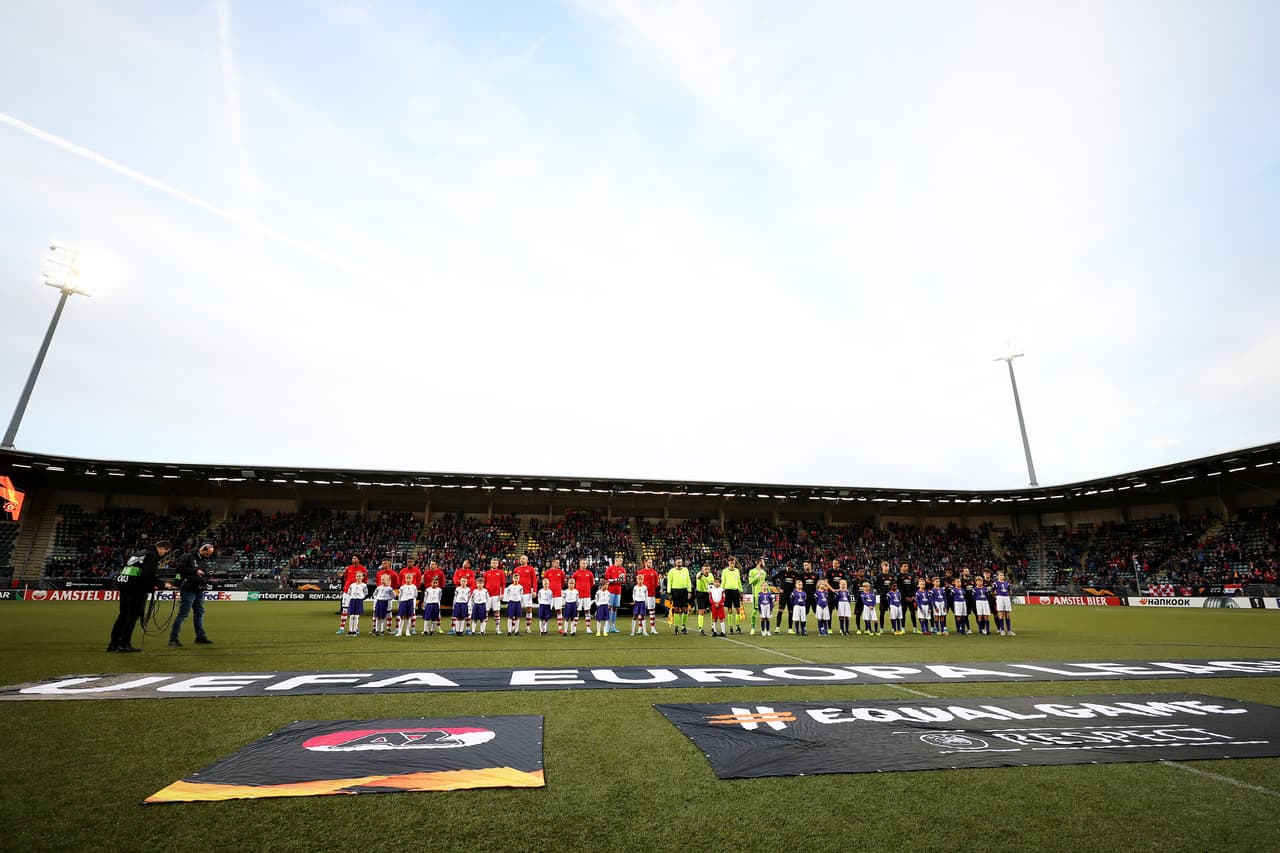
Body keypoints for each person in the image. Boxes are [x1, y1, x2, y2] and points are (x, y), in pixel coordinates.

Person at [108, 539, 172, 652]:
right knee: (132, 617)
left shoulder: (140, 553)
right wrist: (162, 584)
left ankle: (114, 644)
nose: (164, 554)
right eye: (165, 551)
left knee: (123, 615)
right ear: (162, 548)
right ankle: (124, 644)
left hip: (125, 586)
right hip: (136, 589)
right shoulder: (152, 555)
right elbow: (148, 575)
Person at [168, 542, 214, 647]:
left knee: (199, 613)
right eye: (207, 554)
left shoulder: (202, 559)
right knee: (183, 614)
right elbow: (179, 570)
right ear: (203, 549)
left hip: (199, 589)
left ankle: (200, 637)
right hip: (188, 589)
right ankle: (173, 639)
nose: (208, 556)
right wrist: (195, 571)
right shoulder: (187, 557)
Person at [336, 555, 366, 635]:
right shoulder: (349, 568)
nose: (353, 559)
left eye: (355, 558)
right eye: (352, 558)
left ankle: (355, 628)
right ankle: (341, 628)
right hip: (347, 591)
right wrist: (344, 588)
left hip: (357, 593)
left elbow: (365, 580)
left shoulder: (363, 569)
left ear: (359, 559)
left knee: (356, 611)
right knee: (345, 609)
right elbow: (344, 579)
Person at [666, 558, 692, 634]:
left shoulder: (685, 570)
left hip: (684, 591)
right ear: (675, 563)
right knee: (676, 609)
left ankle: (684, 627)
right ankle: (676, 627)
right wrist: (669, 593)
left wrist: (689, 591)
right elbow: (669, 582)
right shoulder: (671, 571)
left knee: (685, 609)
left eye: (680, 562)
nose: (679, 563)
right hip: (675, 591)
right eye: (678, 562)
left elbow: (688, 580)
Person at [483, 558, 507, 635]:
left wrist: (502, 594)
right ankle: (483, 629)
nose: (494, 564)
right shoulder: (486, 573)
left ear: (498, 564)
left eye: (496, 563)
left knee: (497, 612)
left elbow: (503, 584)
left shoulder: (501, 572)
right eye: (493, 563)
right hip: (487, 595)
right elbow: (483, 584)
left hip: (496, 595)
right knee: (485, 612)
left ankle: (497, 629)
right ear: (491, 564)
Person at [515, 556, 538, 634]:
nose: (522, 560)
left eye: (523, 558)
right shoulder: (516, 569)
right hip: (517, 593)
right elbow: (513, 581)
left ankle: (528, 627)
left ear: (527, 560)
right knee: (516, 609)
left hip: (527, 592)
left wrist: (534, 590)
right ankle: (514, 627)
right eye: (521, 558)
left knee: (529, 609)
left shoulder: (531, 569)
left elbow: (534, 581)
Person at [604, 555, 627, 634]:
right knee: (609, 607)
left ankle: (613, 627)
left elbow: (623, 581)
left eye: (621, 561)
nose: (621, 562)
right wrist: (616, 580)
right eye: (619, 560)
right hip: (611, 590)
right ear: (615, 561)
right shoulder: (610, 568)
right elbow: (606, 579)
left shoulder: (623, 569)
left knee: (615, 608)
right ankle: (607, 626)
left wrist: (621, 580)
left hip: (618, 591)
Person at [721, 557, 744, 635]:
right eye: (731, 563)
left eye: (733, 563)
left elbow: (738, 581)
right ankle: (731, 627)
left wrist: (741, 591)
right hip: (728, 591)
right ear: (728, 563)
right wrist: (721, 590)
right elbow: (723, 581)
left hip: (735, 591)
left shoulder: (737, 571)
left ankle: (737, 626)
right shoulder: (725, 571)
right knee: (730, 609)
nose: (732, 564)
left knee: (737, 609)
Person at [573, 559, 596, 634]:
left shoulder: (589, 573)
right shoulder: (576, 573)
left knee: (587, 611)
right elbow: (572, 582)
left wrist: (587, 588)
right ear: (580, 564)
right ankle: (574, 628)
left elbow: (592, 584)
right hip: (578, 596)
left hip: (587, 595)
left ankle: (588, 628)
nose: (584, 564)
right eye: (583, 563)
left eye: (585, 563)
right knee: (577, 611)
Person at [638, 558, 660, 636]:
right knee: (641, 612)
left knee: (652, 611)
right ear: (645, 563)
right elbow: (638, 583)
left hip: (651, 594)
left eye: (651, 562)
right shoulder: (641, 572)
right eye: (649, 562)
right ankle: (640, 628)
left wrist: (653, 590)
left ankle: (652, 628)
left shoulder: (654, 572)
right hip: (642, 595)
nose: (651, 564)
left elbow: (657, 584)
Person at [545, 558, 567, 634]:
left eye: (558, 563)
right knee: (547, 611)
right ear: (553, 563)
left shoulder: (561, 572)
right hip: (549, 595)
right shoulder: (548, 572)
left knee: (559, 610)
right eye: (557, 562)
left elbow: (563, 583)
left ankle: (560, 628)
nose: (558, 564)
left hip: (558, 594)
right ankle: (545, 629)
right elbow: (545, 582)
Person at [747, 558, 768, 635]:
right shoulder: (752, 571)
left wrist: (769, 593)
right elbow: (750, 582)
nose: (764, 563)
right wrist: (757, 576)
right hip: (756, 594)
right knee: (754, 612)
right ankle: (753, 628)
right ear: (759, 562)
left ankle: (765, 629)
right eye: (763, 561)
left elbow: (766, 583)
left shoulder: (764, 572)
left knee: (765, 612)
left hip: (764, 595)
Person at [694, 564, 714, 636]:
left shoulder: (711, 575)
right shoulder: (700, 574)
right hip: (701, 594)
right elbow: (697, 577)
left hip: (709, 593)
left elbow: (712, 583)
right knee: (701, 612)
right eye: (705, 569)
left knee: (713, 609)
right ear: (702, 570)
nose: (707, 571)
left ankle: (713, 626)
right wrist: (701, 573)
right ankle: (700, 629)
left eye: (708, 569)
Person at [993, 571, 1015, 635]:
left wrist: (1010, 593)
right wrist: (996, 597)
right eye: (1001, 575)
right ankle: (1002, 630)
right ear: (998, 576)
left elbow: (1010, 591)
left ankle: (1009, 630)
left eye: (1003, 575)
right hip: (999, 597)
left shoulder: (1007, 583)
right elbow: (993, 592)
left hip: (1006, 598)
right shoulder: (995, 583)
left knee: (1007, 614)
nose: (1002, 576)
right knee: (1001, 613)